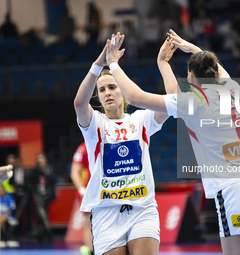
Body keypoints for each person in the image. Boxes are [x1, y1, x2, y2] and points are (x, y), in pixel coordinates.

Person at [105, 31, 240, 255]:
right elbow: (197, 80)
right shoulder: (234, 89)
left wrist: (113, 64)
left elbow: (136, 97)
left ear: (190, 78)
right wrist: (188, 49)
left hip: (237, 190)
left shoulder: (194, 101)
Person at [73, 34, 170, 255]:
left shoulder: (141, 119)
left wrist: (163, 64)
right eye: (102, 90)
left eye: (112, 87)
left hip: (142, 209)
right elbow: (79, 103)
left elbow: (171, 102)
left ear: (123, 92)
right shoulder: (95, 124)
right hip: (106, 213)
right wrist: (98, 65)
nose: (107, 92)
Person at [70, 142, 93, 255]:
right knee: (89, 223)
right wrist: (82, 189)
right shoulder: (83, 148)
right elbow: (74, 172)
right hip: (88, 193)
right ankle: (91, 251)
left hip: (106, 192)